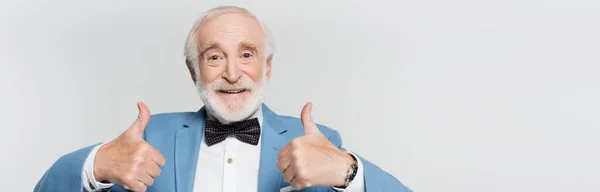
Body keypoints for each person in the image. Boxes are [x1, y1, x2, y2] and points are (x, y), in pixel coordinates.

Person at [34, 5, 412, 192]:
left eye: (247, 55)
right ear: (192, 70)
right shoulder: (148, 138)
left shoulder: (317, 142)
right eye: (214, 56)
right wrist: (96, 164)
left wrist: (348, 172)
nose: (233, 74)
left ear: (267, 68)